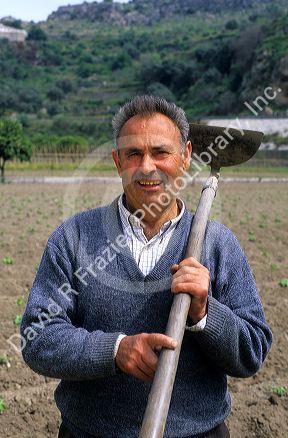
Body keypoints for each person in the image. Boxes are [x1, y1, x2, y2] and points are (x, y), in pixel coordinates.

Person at [21, 95, 272, 438]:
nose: (147, 167)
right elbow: (38, 339)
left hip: (197, 433)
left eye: (161, 152)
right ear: (117, 161)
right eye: (134, 154)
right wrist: (114, 349)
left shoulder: (218, 244)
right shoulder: (74, 237)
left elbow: (252, 351)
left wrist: (204, 314)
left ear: (185, 156)